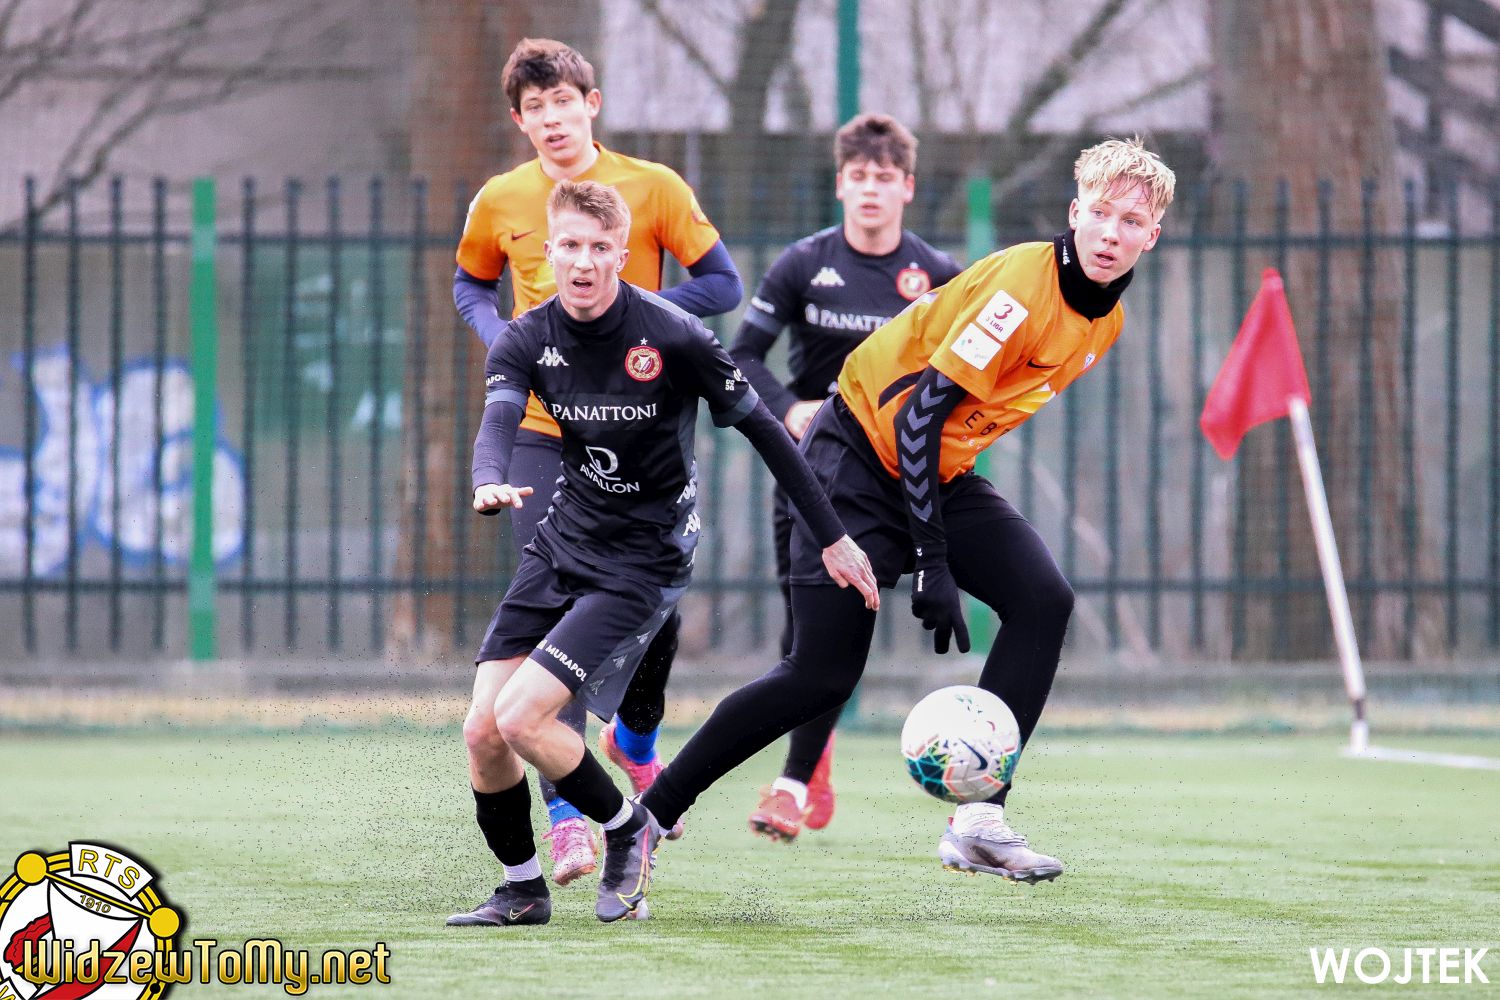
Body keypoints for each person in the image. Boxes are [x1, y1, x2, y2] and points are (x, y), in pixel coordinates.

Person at [627, 137, 1176, 895]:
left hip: (933, 469)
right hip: (854, 458)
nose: (1112, 233)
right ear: (1074, 212)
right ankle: (646, 820)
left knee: (1042, 600)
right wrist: (932, 559)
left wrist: (936, 540)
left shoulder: (1105, 322)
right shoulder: (1022, 288)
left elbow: (951, 429)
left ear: (1153, 236)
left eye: (1132, 222)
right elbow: (920, 416)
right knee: (819, 676)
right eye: (1102, 213)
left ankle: (978, 821)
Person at [447, 180, 878, 926]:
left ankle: (625, 829)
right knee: (483, 731)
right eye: (569, 246)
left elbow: (769, 433)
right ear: (548, 252)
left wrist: (834, 536)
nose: (583, 262)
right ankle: (522, 888)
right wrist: (488, 479)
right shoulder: (525, 337)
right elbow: (499, 423)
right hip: (562, 543)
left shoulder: (674, 335)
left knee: (521, 719)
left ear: (623, 256)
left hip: (642, 560)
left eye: (599, 248)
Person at [452, 37, 743, 886]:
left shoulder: (653, 187)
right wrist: (506, 340)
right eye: (533, 108)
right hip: (545, 431)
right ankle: (569, 818)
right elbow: (471, 283)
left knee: (660, 615)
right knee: (561, 608)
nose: (550, 119)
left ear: (593, 104)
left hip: (638, 430)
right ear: (519, 121)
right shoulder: (500, 198)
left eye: (562, 102)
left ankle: (636, 742)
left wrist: (632, 322)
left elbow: (721, 283)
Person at [730, 113, 961, 843]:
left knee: (835, 635)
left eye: (884, 178)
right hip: (812, 471)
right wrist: (790, 408)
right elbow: (743, 355)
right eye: (858, 177)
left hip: (892, 479)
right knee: (804, 638)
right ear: (839, 185)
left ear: (907, 188)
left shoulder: (937, 275)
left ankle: (792, 784)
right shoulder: (802, 265)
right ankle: (813, 762)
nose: (870, 190)